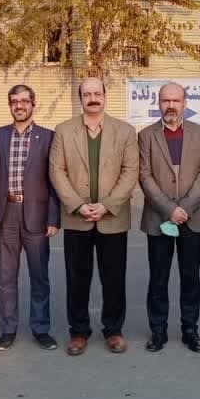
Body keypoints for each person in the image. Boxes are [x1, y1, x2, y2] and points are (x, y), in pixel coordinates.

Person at [49, 76, 139, 356]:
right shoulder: (63, 131)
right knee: (77, 279)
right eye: (87, 94)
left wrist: (107, 205)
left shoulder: (125, 131)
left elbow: (130, 171)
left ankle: (113, 330)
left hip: (113, 218)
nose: (92, 98)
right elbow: (57, 171)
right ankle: (78, 332)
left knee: (114, 278)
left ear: (104, 96)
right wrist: (77, 205)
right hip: (77, 218)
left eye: (97, 93)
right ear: (81, 98)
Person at [137, 82, 200, 353]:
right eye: (165, 100)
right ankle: (158, 331)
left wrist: (186, 207)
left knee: (190, 276)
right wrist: (169, 209)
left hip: (193, 217)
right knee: (158, 277)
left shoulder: (199, 133)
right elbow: (144, 175)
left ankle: (190, 330)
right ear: (158, 103)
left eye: (176, 100)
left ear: (185, 103)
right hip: (159, 218)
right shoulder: (146, 136)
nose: (171, 105)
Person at [0, 85, 60, 352]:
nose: (19, 105)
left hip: (37, 216)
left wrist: (53, 217)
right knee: (6, 277)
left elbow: (54, 180)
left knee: (39, 276)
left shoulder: (48, 137)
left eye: (24, 101)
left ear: (33, 104)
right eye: (14, 101)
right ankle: (8, 329)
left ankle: (41, 328)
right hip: (5, 213)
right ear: (10, 105)